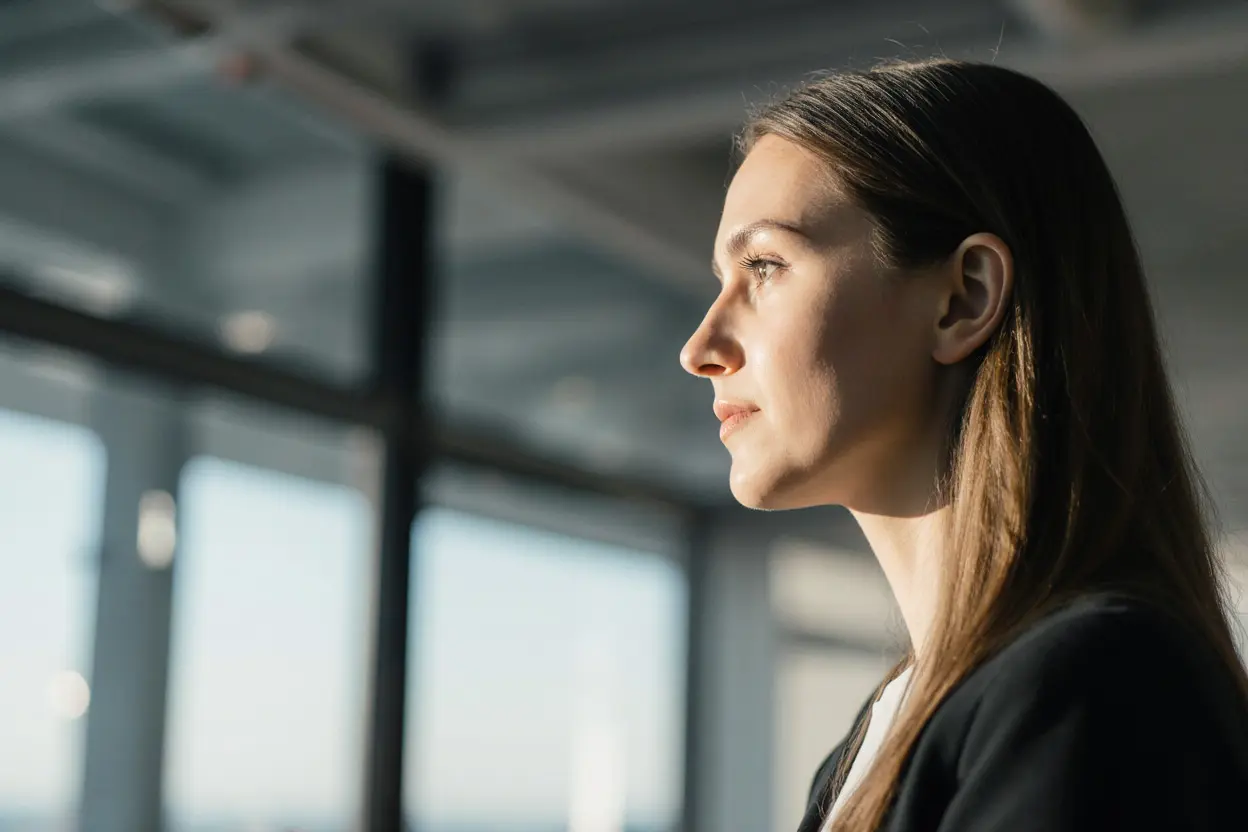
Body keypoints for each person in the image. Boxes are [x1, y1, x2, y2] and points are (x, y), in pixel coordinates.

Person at [680, 59, 1248, 831]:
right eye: (723, 278)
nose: (702, 346)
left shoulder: (1092, 686)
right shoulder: (881, 737)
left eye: (766, 266)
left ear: (964, 297)